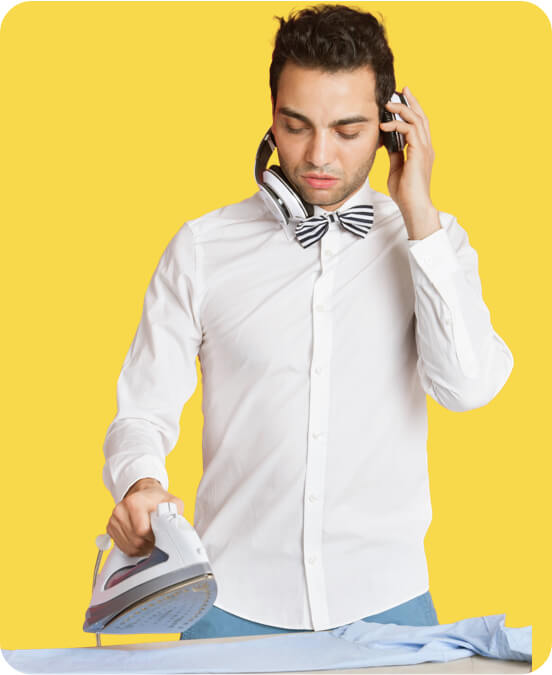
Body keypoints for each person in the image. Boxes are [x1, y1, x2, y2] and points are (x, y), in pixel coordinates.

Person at [102, 4, 513, 639]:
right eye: (297, 126)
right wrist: (141, 483)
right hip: (230, 605)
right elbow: (141, 410)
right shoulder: (203, 247)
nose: (319, 155)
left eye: (348, 131)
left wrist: (421, 216)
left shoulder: (433, 242)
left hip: (389, 602)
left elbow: (469, 387)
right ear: (271, 117)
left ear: (391, 128)